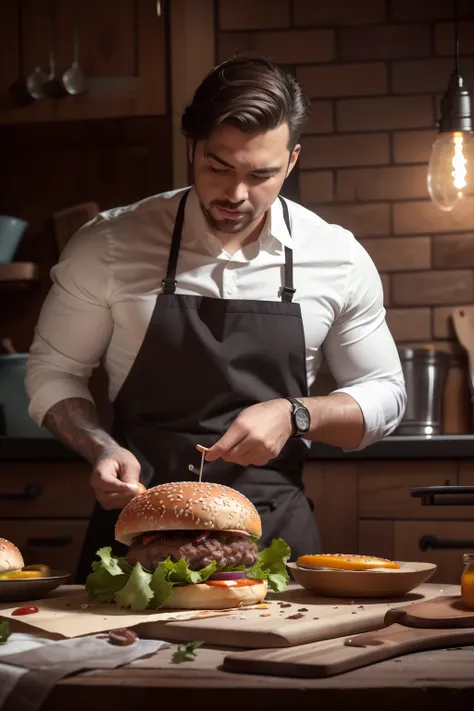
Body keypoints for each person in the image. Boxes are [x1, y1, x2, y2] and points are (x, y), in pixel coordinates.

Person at [25, 57, 406, 583]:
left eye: (260, 175)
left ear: (291, 160)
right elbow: (52, 371)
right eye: (218, 167)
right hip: (139, 537)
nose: (235, 195)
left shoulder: (336, 257)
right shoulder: (109, 244)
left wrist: (295, 413)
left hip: (274, 542)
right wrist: (101, 446)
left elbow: (385, 393)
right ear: (192, 147)